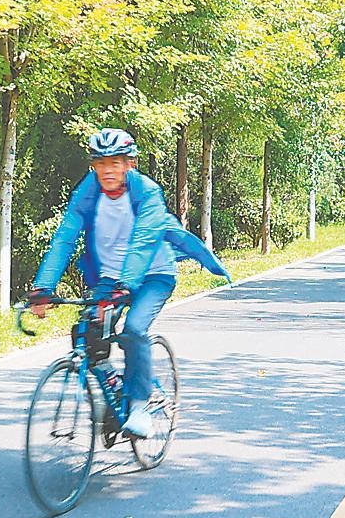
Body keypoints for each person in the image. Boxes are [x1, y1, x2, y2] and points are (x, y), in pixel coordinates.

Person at [28, 128, 230, 437]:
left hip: (153, 274)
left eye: (116, 162)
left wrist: (125, 285)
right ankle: (113, 390)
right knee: (87, 333)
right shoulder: (87, 192)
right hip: (110, 277)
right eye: (101, 163)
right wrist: (43, 288)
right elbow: (65, 238)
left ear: (129, 165)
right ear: (93, 166)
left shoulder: (147, 192)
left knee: (134, 329)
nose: (108, 170)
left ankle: (139, 405)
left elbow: (143, 240)